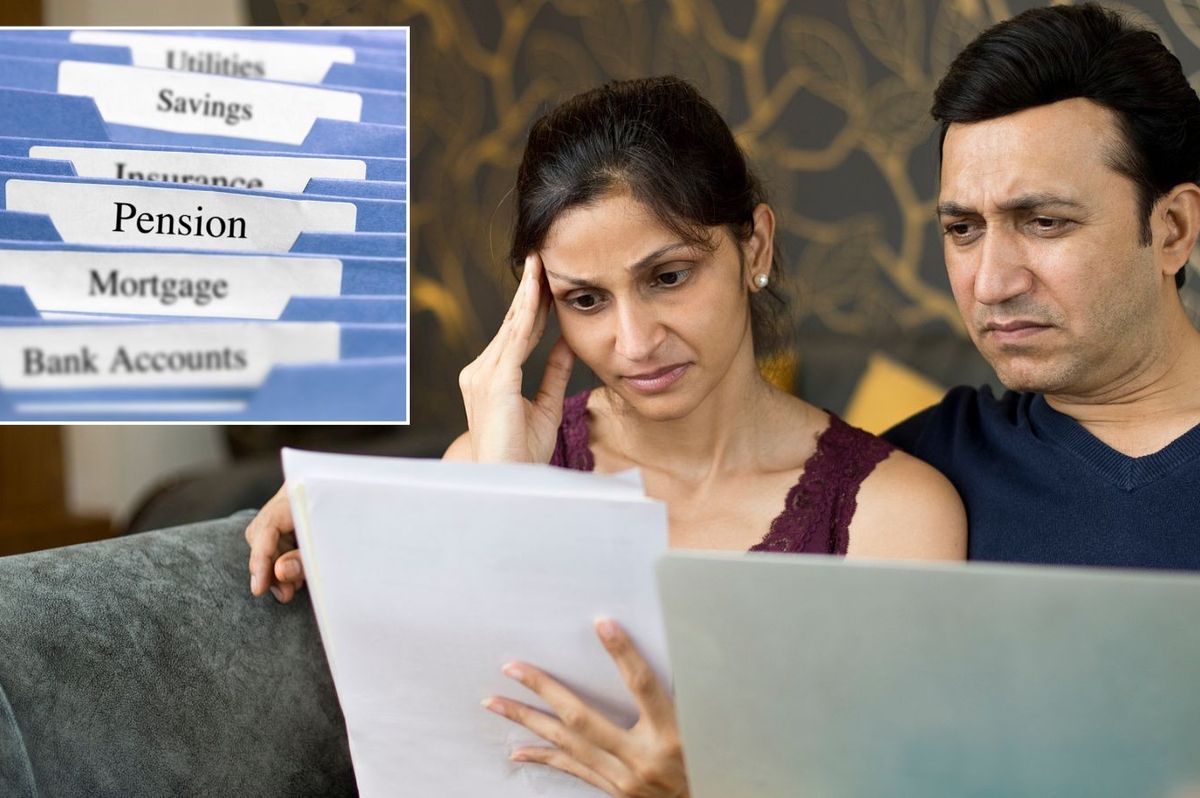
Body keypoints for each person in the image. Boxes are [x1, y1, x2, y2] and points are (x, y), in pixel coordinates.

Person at [246, 76, 966, 796]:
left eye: (669, 276)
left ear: (755, 247)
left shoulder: (893, 515)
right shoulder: (494, 471)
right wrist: (431, 507)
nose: (634, 342)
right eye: (585, 300)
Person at [883, 3, 1200, 570]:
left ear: (1173, 228)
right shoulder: (911, 473)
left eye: (1045, 222)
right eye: (963, 229)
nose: (991, 283)